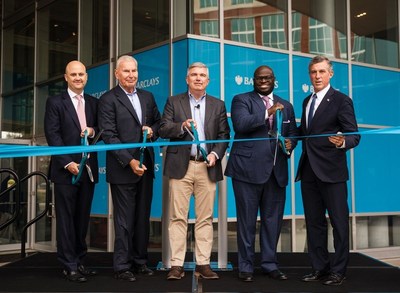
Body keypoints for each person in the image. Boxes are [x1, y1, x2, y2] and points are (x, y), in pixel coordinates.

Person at [225, 65, 298, 282]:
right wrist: (268, 112)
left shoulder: (287, 105)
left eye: (267, 78)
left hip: (277, 172)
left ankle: (269, 264)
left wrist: (290, 143)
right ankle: (246, 267)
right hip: (247, 172)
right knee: (246, 222)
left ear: (274, 80)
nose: (263, 81)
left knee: (272, 221)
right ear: (253, 80)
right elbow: (241, 124)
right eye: (259, 78)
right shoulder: (241, 100)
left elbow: (293, 132)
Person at [159, 62, 230, 281]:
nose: (198, 78)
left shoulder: (218, 105)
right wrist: (181, 126)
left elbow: (223, 136)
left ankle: (203, 263)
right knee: (178, 217)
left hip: (207, 166)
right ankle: (177, 265)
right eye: (194, 75)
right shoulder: (174, 101)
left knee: (205, 218)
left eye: (202, 75)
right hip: (181, 165)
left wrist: (215, 155)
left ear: (208, 80)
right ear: (187, 79)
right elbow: (163, 128)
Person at [296, 55, 360, 286]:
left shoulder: (341, 100)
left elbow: (354, 134)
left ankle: (338, 270)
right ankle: (320, 268)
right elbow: (304, 130)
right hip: (309, 171)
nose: (317, 76)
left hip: (332, 171)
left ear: (330, 74)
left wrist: (343, 142)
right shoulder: (306, 102)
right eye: (314, 72)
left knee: (339, 222)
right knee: (314, 223)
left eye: (322, 71)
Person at [98, 55, 161, 282]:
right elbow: (109, 135)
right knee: (124, 221)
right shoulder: (107, 99)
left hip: (145, 168)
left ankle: (140, 262)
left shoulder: (148, 96)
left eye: (134, 71)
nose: (131, 75)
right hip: (123, 169)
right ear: (117, 74)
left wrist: (153, 130)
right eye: (126, 71)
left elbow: (159, 122)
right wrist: (130, 161)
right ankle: (122, 266)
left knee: (142, 218)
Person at [44, 60, 99, 283]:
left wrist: (93, 130)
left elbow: (101, 131)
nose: (78, 78)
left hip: (88, 170)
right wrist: (68, 163)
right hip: (66, 171)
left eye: (81, 74)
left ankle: (80, 260)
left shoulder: (94, 103)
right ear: (66, 77)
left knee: (82, 219)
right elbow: (53, 136)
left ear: (86, 77)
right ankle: (69, 264)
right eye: (73, 74)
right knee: (66, 219)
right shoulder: (55, 102)